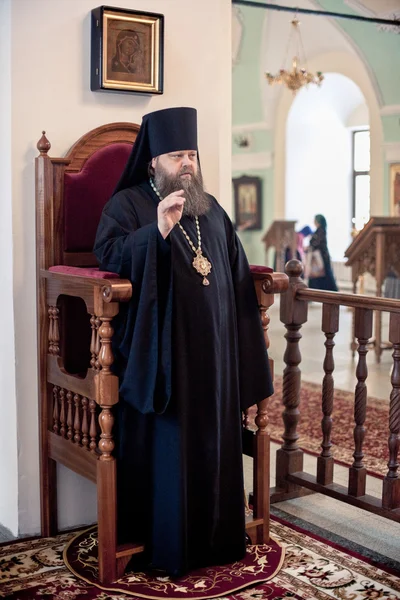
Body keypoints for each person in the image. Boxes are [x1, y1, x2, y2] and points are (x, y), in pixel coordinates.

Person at [93, 107, 273, 576]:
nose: (188, 163)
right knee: (171, 450)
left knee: (216, 445)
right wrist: (157, 231)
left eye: (191, 153)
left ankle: (219, 537)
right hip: (163, 357)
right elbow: (108, 255)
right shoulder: (128, 205)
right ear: (154, 161)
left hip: (214, 354)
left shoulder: (211, 209)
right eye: (177, 155)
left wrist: (238, 347)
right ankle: (170, 544)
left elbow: (233, 273)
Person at [306, 214, 338, 291]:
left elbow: (317, 243)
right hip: (317, 257)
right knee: (316, 276)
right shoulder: (318, 231)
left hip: (321, 257)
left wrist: (310, 246)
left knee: (325, 275)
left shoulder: (321, 230)